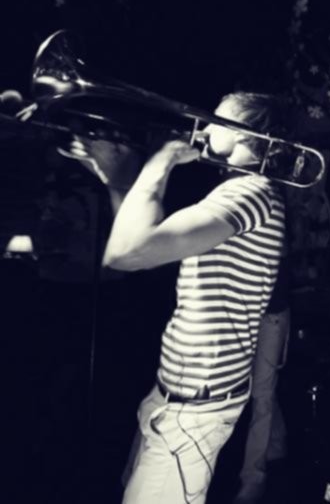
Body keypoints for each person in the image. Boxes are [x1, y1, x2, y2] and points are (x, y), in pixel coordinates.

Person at [69, 91, 287, 504]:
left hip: (193, 408)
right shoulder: (236, 192)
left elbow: (126, 254)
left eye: (216, 119)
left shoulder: (249, 193)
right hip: (175, 396)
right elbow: (135, 242)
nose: (202, 127)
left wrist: (161, 161)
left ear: (246, 132)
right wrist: (118, 183)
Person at [231, 256, 291, 504]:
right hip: (246, 312)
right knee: (261, 389)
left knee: (262, 394)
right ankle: (276, 444)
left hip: (270, 313)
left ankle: (254, 477)